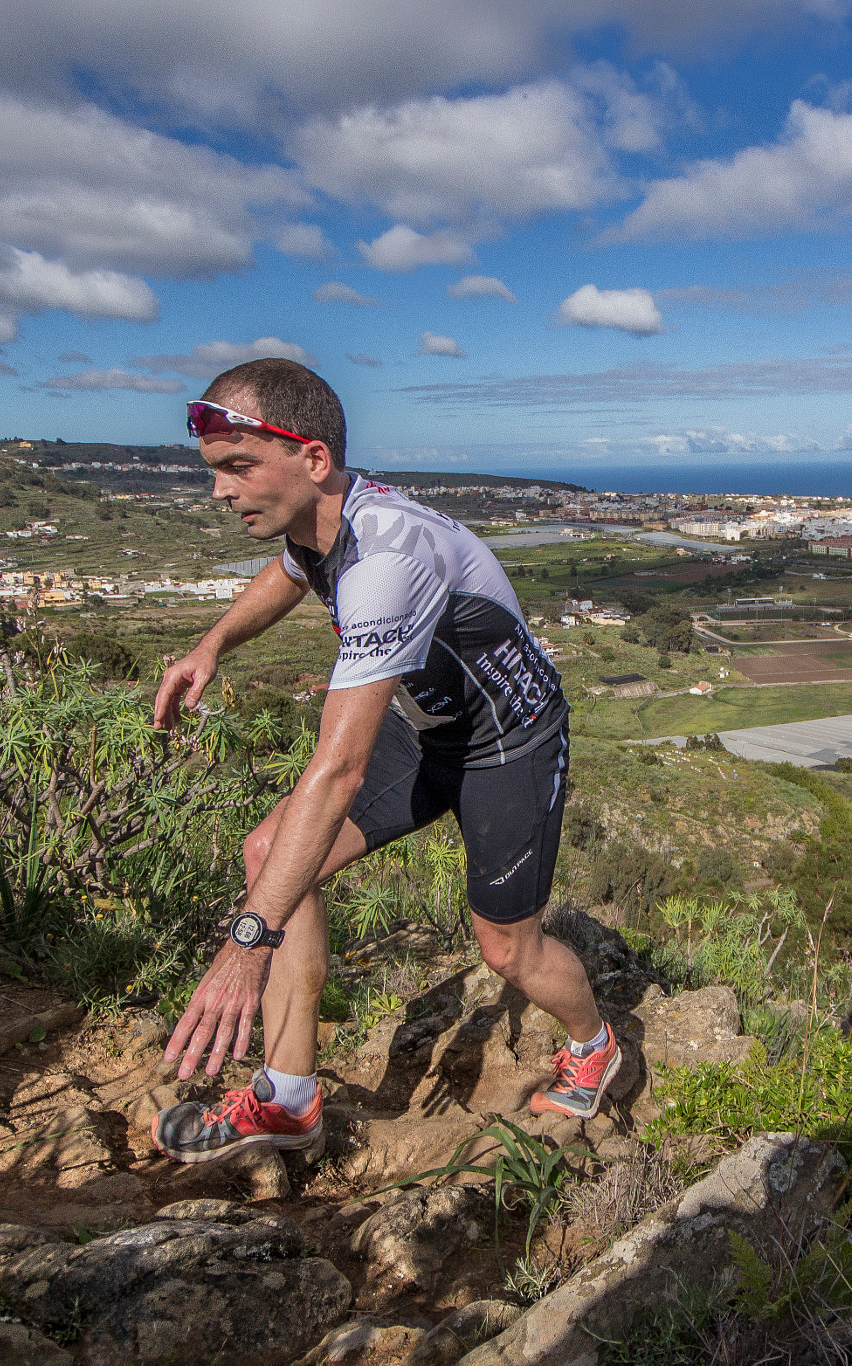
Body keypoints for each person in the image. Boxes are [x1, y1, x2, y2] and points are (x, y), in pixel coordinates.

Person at [148, 358, 618, 1164]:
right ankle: (290, 1099)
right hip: (430, 724)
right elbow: (295, 572)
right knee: (272, 855)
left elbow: (337, 773)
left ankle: (597, 1042)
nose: (220, 492)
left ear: (313, 460)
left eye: (237, 468)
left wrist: (245, 945)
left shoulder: (387, 562)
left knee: (506, 950)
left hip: (509, 741)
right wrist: (212, 644)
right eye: (216, 472)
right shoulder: (319, 522)